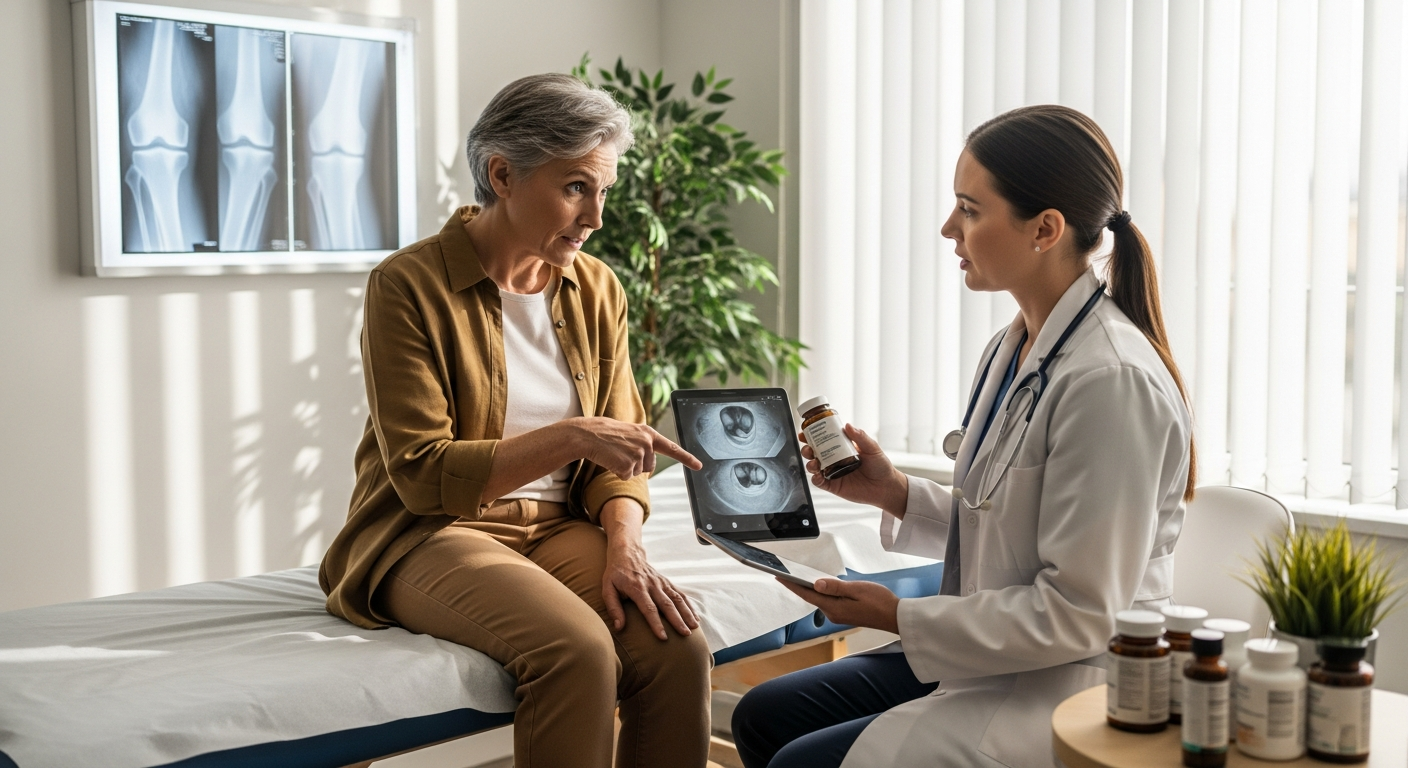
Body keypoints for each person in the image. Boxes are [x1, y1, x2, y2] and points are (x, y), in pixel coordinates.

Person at [731, 104, 1196, 768]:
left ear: (1045, 229)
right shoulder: (1011, 350)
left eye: (970, 211)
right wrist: (894, 493)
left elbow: (1079, 614)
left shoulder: (1110, 383)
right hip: (997, 651)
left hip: (1069, 679)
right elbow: (1007, 529)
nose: (950, 228)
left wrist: (897, 615)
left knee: (795, 760)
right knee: (763, 715)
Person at [318, 73, 713, 768]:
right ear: (502, 174)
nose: (595, 216)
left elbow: (620, 452)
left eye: (604, 191)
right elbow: (420, 476)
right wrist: (571, 435)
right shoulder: (407, 286)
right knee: (577, 652)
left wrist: (625, 546)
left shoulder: (597, 288)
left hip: (559, 527)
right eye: (575, 187)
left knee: (675, 647)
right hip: (432, 533)